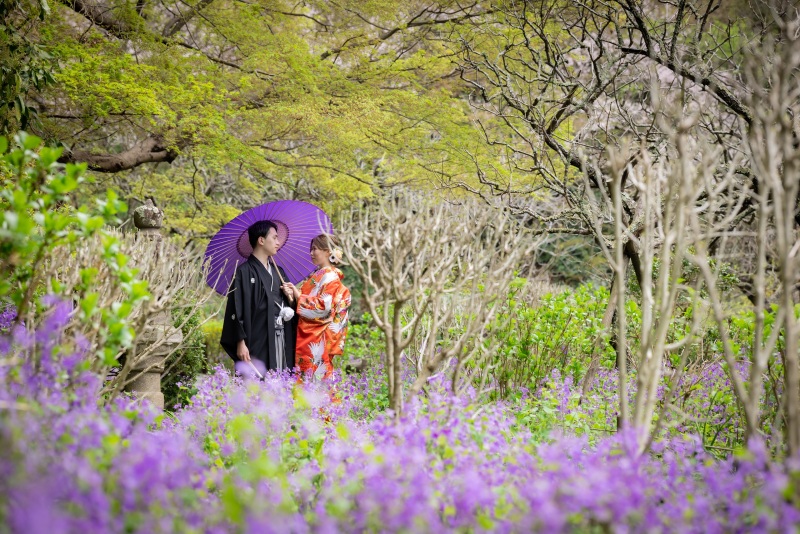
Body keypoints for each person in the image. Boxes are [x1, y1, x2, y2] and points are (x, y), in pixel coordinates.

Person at [220, 220, 297, 373]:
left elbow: (290, 306)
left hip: (280, 335)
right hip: (257, 336)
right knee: (257, 382)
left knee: (281, 377)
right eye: (274, 238)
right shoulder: (244, 272)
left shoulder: (279, 272)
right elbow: (236, 309)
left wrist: (291, 298)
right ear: (261, 240)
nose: (278, 242)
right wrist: (240, 342)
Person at [281, 234, 351, 382]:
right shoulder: (318, 275)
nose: (311, 253)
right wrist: (292, 296)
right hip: (310, 334)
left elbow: (323, 308)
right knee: (309, 379)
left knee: (316, 380)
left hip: (318, 336)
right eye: (311, 249)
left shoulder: (330, 277)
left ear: (328, 251)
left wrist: (298, 296)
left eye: (315, 249)